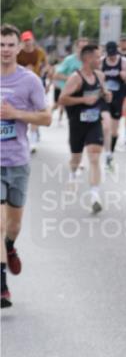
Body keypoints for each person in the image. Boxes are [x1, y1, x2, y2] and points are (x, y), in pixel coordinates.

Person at [0, 24, 52, 308]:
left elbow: (46, 118)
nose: (5, 50)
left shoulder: (29, 81)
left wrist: (15, 114)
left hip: (18, 160)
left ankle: (8, 247)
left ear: (19, 48)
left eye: (10, 44)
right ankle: (2, 286)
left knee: (13, 225)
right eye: (1, 44)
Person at [60, 44, 112, 214]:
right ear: (87, 58)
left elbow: (102, 92)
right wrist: (83, 100)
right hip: (77, 123)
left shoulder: (100, 76)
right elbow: (63, 99)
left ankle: (95, 196)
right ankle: (73, 174)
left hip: (94, 122)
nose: (100, 60)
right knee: (76, 158)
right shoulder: (75, 78)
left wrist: (107, 94)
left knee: (94, 157)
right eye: (98, 57)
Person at [100, 41, 126, 169]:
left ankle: (110, 154)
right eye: (110, 55)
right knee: (106, 126)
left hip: (118, 98)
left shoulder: (124, 62)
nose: (112, 57)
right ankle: (107, 153)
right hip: (105, 98)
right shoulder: (102, 61)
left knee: (114, 131)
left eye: (114, 54)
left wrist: (125, 77)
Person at [17, 31, 49, 152]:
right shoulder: (18, 53)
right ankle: (28, 133)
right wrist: (24, 69)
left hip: (36, 82)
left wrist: (44, 71)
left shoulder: (39, 52)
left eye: (29, 40)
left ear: (33, 40)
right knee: (24, 110)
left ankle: (32, 140)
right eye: (25, 40)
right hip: (21, 83)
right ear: (22, 41)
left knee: (37, 109)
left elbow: (46, 65)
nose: (27, 43)